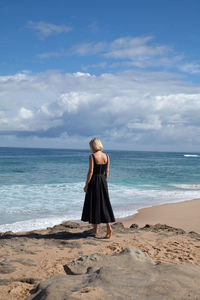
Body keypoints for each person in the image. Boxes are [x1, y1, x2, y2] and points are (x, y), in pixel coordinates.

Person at [81, 137, 115, 238]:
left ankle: (95, 230)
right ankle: (108, 227)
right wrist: (103, 181)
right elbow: (107, 172)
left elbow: (90, 172)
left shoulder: (92, 156)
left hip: (94, 181)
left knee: (94, 204)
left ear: (92, 146)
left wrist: (86, 185)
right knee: (104, 204)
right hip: (103, 181)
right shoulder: (107, 156)